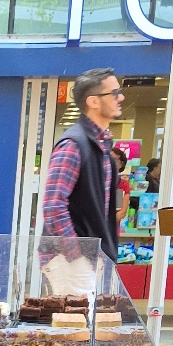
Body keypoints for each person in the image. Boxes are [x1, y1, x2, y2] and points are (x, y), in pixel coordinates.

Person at [41, 66, 126, 260]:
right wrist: (76, 256)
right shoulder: (73, 145)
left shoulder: (101, 147)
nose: (120, 98)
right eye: (114, 93)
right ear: (93, 101)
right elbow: (53, 206)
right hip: (71, 260)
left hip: (91, 256)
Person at [111, 143, 132, 233]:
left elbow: (121, 212)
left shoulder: (121, 184)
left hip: (111, 231)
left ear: (121, 164)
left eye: (114, 159)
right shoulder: (96, 181)